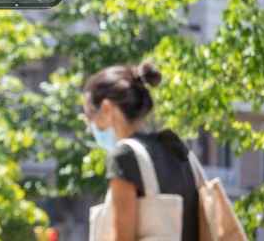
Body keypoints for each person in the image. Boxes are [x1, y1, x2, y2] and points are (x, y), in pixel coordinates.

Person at [83, 62, 198, 241]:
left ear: (106, 108)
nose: (91, 129)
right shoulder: (177, 149)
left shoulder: (124, 156)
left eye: (90, 118)